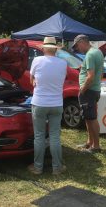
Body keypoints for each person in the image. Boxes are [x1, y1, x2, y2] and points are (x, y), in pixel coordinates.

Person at [28, 36, 68, 175]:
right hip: (57, 103)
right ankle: (57, 168)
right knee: (55, 136)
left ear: (44, 48)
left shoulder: (37, 60)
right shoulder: (63, 63)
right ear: (55, 49)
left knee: (39, 136)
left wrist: (34, 82)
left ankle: (38, 168)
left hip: (39, 103)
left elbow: (31, 80)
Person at [72, 34, 104, 153]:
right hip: (94, 90)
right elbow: (100, 73)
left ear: (82, 42)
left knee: (91, 118)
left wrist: (83, 89)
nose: (77, 48)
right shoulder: (97, 52)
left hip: (89, 91)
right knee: (88, 117)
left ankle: (96, 147)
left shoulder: (90, 54)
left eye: (77, 45)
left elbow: (90, 77)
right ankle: (90, 142)